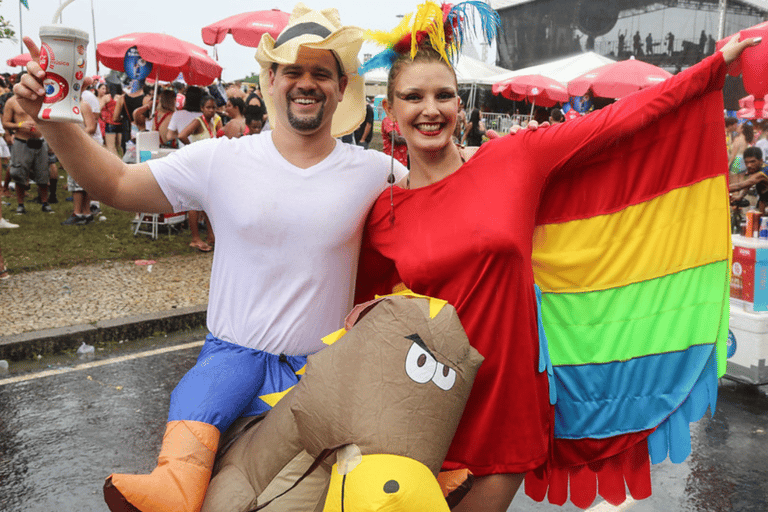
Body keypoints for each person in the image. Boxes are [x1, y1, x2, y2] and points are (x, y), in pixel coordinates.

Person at [355, 2, 757, 510]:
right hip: (423, 403)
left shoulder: (513, 160)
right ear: (389, 111)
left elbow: (618, 123)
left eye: (444, 95)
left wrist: (712, 70)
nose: (430, 109)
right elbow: (366, 323)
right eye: (413, 97)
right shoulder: (383, 214)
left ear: (461, 104)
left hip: (504, 403)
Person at [14, 4, 406, 512]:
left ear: (340, 86)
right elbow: (113, 183)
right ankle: (173, 484)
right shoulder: (222, 158)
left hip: (319, 382)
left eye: (320, 73)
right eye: (293, 70)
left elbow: (448, 206)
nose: (306, 83)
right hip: (229, 360)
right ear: (271, 78)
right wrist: (55, 116)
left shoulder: (376, 171)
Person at [1, 94, 52, 214]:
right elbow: (5, 124)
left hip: (40, 141)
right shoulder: (12, 102)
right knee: (19, 174)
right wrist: (19, 125)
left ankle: (45, 202)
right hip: (22, 142)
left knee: (43, 173)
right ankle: (20, 204)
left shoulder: (41, 100)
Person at [730, 146, 768, 213]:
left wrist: (721, 189)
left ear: (761, 160)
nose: (749, 165)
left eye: (752, 161)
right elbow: (748, 184)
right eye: (746, 162)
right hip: (764, 199)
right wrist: (740, 196)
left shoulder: (762, 172)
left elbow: (740, 186)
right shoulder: (755, 169)